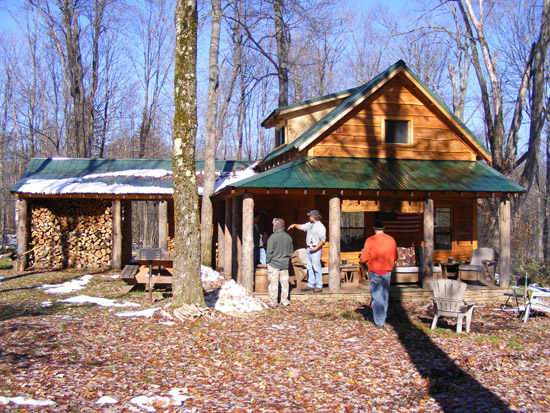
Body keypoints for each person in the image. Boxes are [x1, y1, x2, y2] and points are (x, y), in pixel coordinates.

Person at [360, 219, 398, 328]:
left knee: (377, 296)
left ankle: (379, 321)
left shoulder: (370, 240)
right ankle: (383, 316)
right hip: (387, 271)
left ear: (374, 229)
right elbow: (395, 256)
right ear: (383, 228)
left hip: (375, 271)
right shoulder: (391, 240)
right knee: (385, 295)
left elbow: (363, 258)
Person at [288, 210, 326, 293]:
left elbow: (322, 240)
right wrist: (294, 225)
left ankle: (319, 285)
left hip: (316, 248)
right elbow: (302, 227)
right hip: (309, 248)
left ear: (314, 217)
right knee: (309, 267)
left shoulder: (320, 227)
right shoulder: (310, 224)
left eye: (310, 216)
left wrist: (316, 248)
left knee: (316, 267)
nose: (309, 217)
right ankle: (310, 284)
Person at [266, 218, 294, 307]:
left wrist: (268, 261)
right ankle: (285, 301)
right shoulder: (288, 237)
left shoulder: (272, 237)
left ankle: (273, 302)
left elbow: (269, 252)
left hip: (273, 264)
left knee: (273, 284)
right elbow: (291, 252)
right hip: (285, 264)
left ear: (276, 226)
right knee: (285, 283)